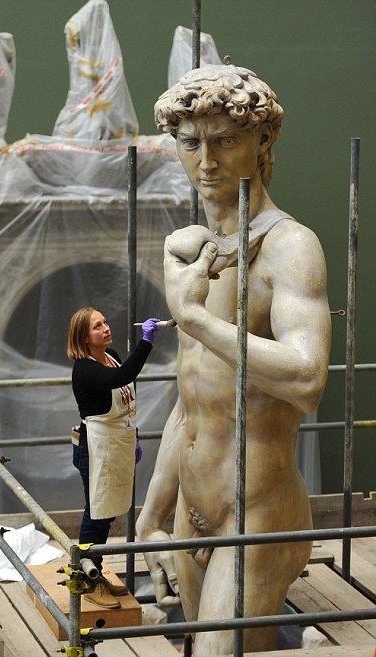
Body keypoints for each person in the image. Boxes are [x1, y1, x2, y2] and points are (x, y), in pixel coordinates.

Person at [136, 62, 331, 654]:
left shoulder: (289, 247)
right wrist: (153, 511)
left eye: (224, 140)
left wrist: (194, 317)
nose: (206, 161)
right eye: (190, 143)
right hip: (190, 511)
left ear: (262, 140)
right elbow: (190, 403)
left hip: (256, 514)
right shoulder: (197, 252)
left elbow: (306, 378)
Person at [67, 307, 160, 608]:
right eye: (97, 326)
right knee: (96, 513)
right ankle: (85, 579)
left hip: (116, 443)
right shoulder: (84, 370)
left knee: (107, 514)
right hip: (95, 448)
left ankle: (95, 570)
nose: (106, 328)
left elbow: (128, 402)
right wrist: (146, 342)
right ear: (84, 338)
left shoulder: (113, 354)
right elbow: (124, 376)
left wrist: (135, 438)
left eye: (105, 322)